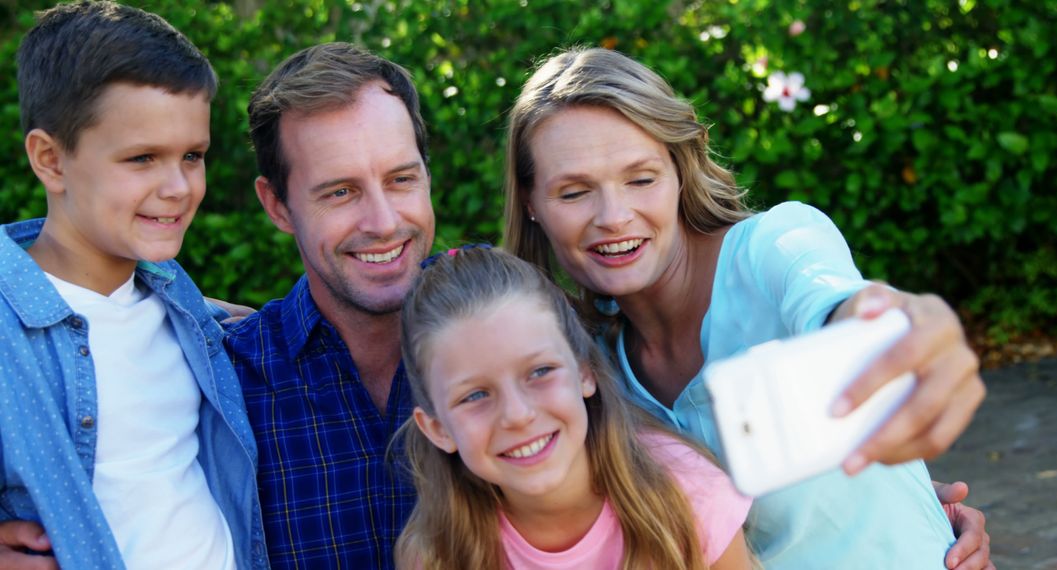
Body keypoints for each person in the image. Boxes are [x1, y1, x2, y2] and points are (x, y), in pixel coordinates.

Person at [503, 47, 990, 569]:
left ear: (680, 169)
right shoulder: (584, 368)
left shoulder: (773, 248)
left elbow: (843, 304)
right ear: (531, 204)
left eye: (641, 179)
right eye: (574, 192)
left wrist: (903, 329)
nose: (614, 216)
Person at [0, 2, 267, 569]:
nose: (177, 187)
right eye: (142, 158)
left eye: (192, 156)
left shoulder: (181, 307)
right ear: (51, 160)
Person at [396, 246, 753, 569]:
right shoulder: (436, 556)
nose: (518, 416)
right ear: (438, 429)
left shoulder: (688, 495)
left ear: (584, 371)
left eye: (540, 372)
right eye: (474, 396)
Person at [223, 42, 433, 568]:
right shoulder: (228, 387)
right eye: (340, 192)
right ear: (277, 205)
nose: (383, 222)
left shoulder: (514, 332)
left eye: (401, 178)